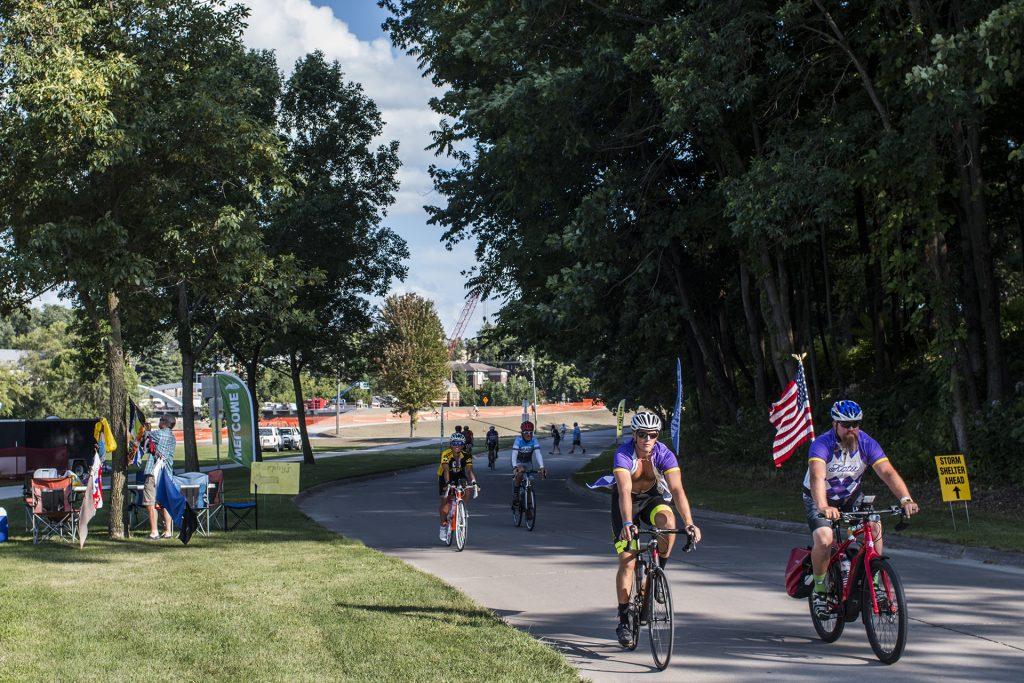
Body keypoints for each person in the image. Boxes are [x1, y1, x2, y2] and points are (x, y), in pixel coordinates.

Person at [805, 400, 919, 618]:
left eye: (855, 424)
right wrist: (823, 506)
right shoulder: (822, 444)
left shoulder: (866, 442)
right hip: (819, 496)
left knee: (875, 526)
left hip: (850, 496)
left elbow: (887, 472)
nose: (851, 429)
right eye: (846, 424)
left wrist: (905, 499)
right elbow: (817, 476)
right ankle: (820, 590)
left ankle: (873, 580)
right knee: (824, 539)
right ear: (835, 423)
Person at [606, 412, 701, 647]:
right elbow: (625, 491)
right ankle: (624, 619)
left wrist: (689, 522)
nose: (648, 439)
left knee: (668, 523)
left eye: (653, 435)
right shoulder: (623, 454)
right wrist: (628, 523)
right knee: (628, 560)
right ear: (634, 435)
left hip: (651, 499)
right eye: (642, 434)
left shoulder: (663, 454)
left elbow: (677, 490)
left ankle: (658, 574)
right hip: (626, 503)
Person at [437, 432, 478, 542]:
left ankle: (462, 507)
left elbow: (469, 471)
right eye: (455, 443)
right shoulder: (446, 453)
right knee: (445, 502)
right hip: (445, 476)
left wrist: (474, 482)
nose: (457, 446)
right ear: (451, 444)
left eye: (460, 443)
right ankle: (442, 527)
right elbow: (446, 470)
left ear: (463, 445)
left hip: (459, 475)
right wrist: (448, 483)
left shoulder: (466, 455)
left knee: (467, 488)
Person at [143, 415, 177, 540]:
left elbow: (145, 435)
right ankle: (168, 531)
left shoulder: (161, 434)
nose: (159, 421)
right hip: (167, 474)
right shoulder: (172, 437)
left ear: (165, 423)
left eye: (161, 420)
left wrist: (145, 428)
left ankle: (154, 532)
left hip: (154, 472)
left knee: (150, 502)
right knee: (165, 503)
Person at [511, 421, 546, 508]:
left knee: (530, 483)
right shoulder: (518, 440)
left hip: (528, 463)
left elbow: (538, 454)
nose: (529, 434)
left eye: (531, 432)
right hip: (518, 462)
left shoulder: (534, 440)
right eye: (526, 432)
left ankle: (529, 507)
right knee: (521, 471)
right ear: (522, 433)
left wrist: (542, 467)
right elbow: (514, 454)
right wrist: (515, 467)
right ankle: (516, 494)